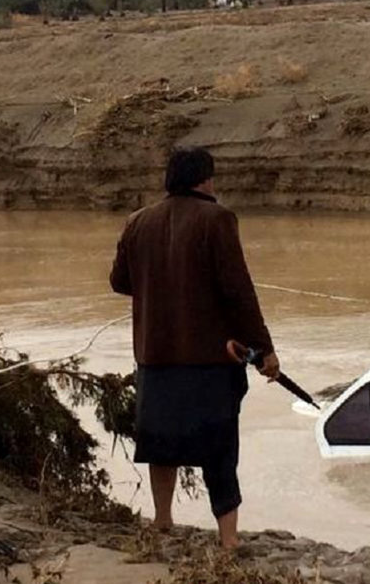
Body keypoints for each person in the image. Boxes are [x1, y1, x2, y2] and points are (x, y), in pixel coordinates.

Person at [110, 146, 279, 550]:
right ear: (205, 179)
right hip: (210, 360)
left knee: (159, 442)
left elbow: (119, 281)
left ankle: (162, 521)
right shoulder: (217, 219)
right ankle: (229, 540)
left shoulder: (138, 222)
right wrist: (264, 350)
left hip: (155, 355)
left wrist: (158, 285)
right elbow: (238, 291)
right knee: (219, 448)